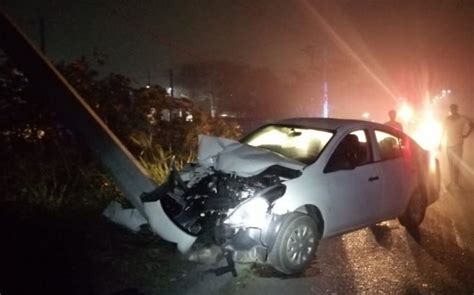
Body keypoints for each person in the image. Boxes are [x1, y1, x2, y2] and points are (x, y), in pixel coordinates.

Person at [441, 103, 473, 189]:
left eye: (454, 109)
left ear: (456, 109)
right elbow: (443, 131)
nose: (452, 110)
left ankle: (457, 183)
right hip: (448, 145)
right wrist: (440, 143)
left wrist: (466, 135)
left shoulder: (462, 119)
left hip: (458, 144)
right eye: (451, 109)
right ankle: (452, 182)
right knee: (450, 164)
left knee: (457, 165)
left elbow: (471, 124)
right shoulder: (447, 119)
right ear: (450, 110)